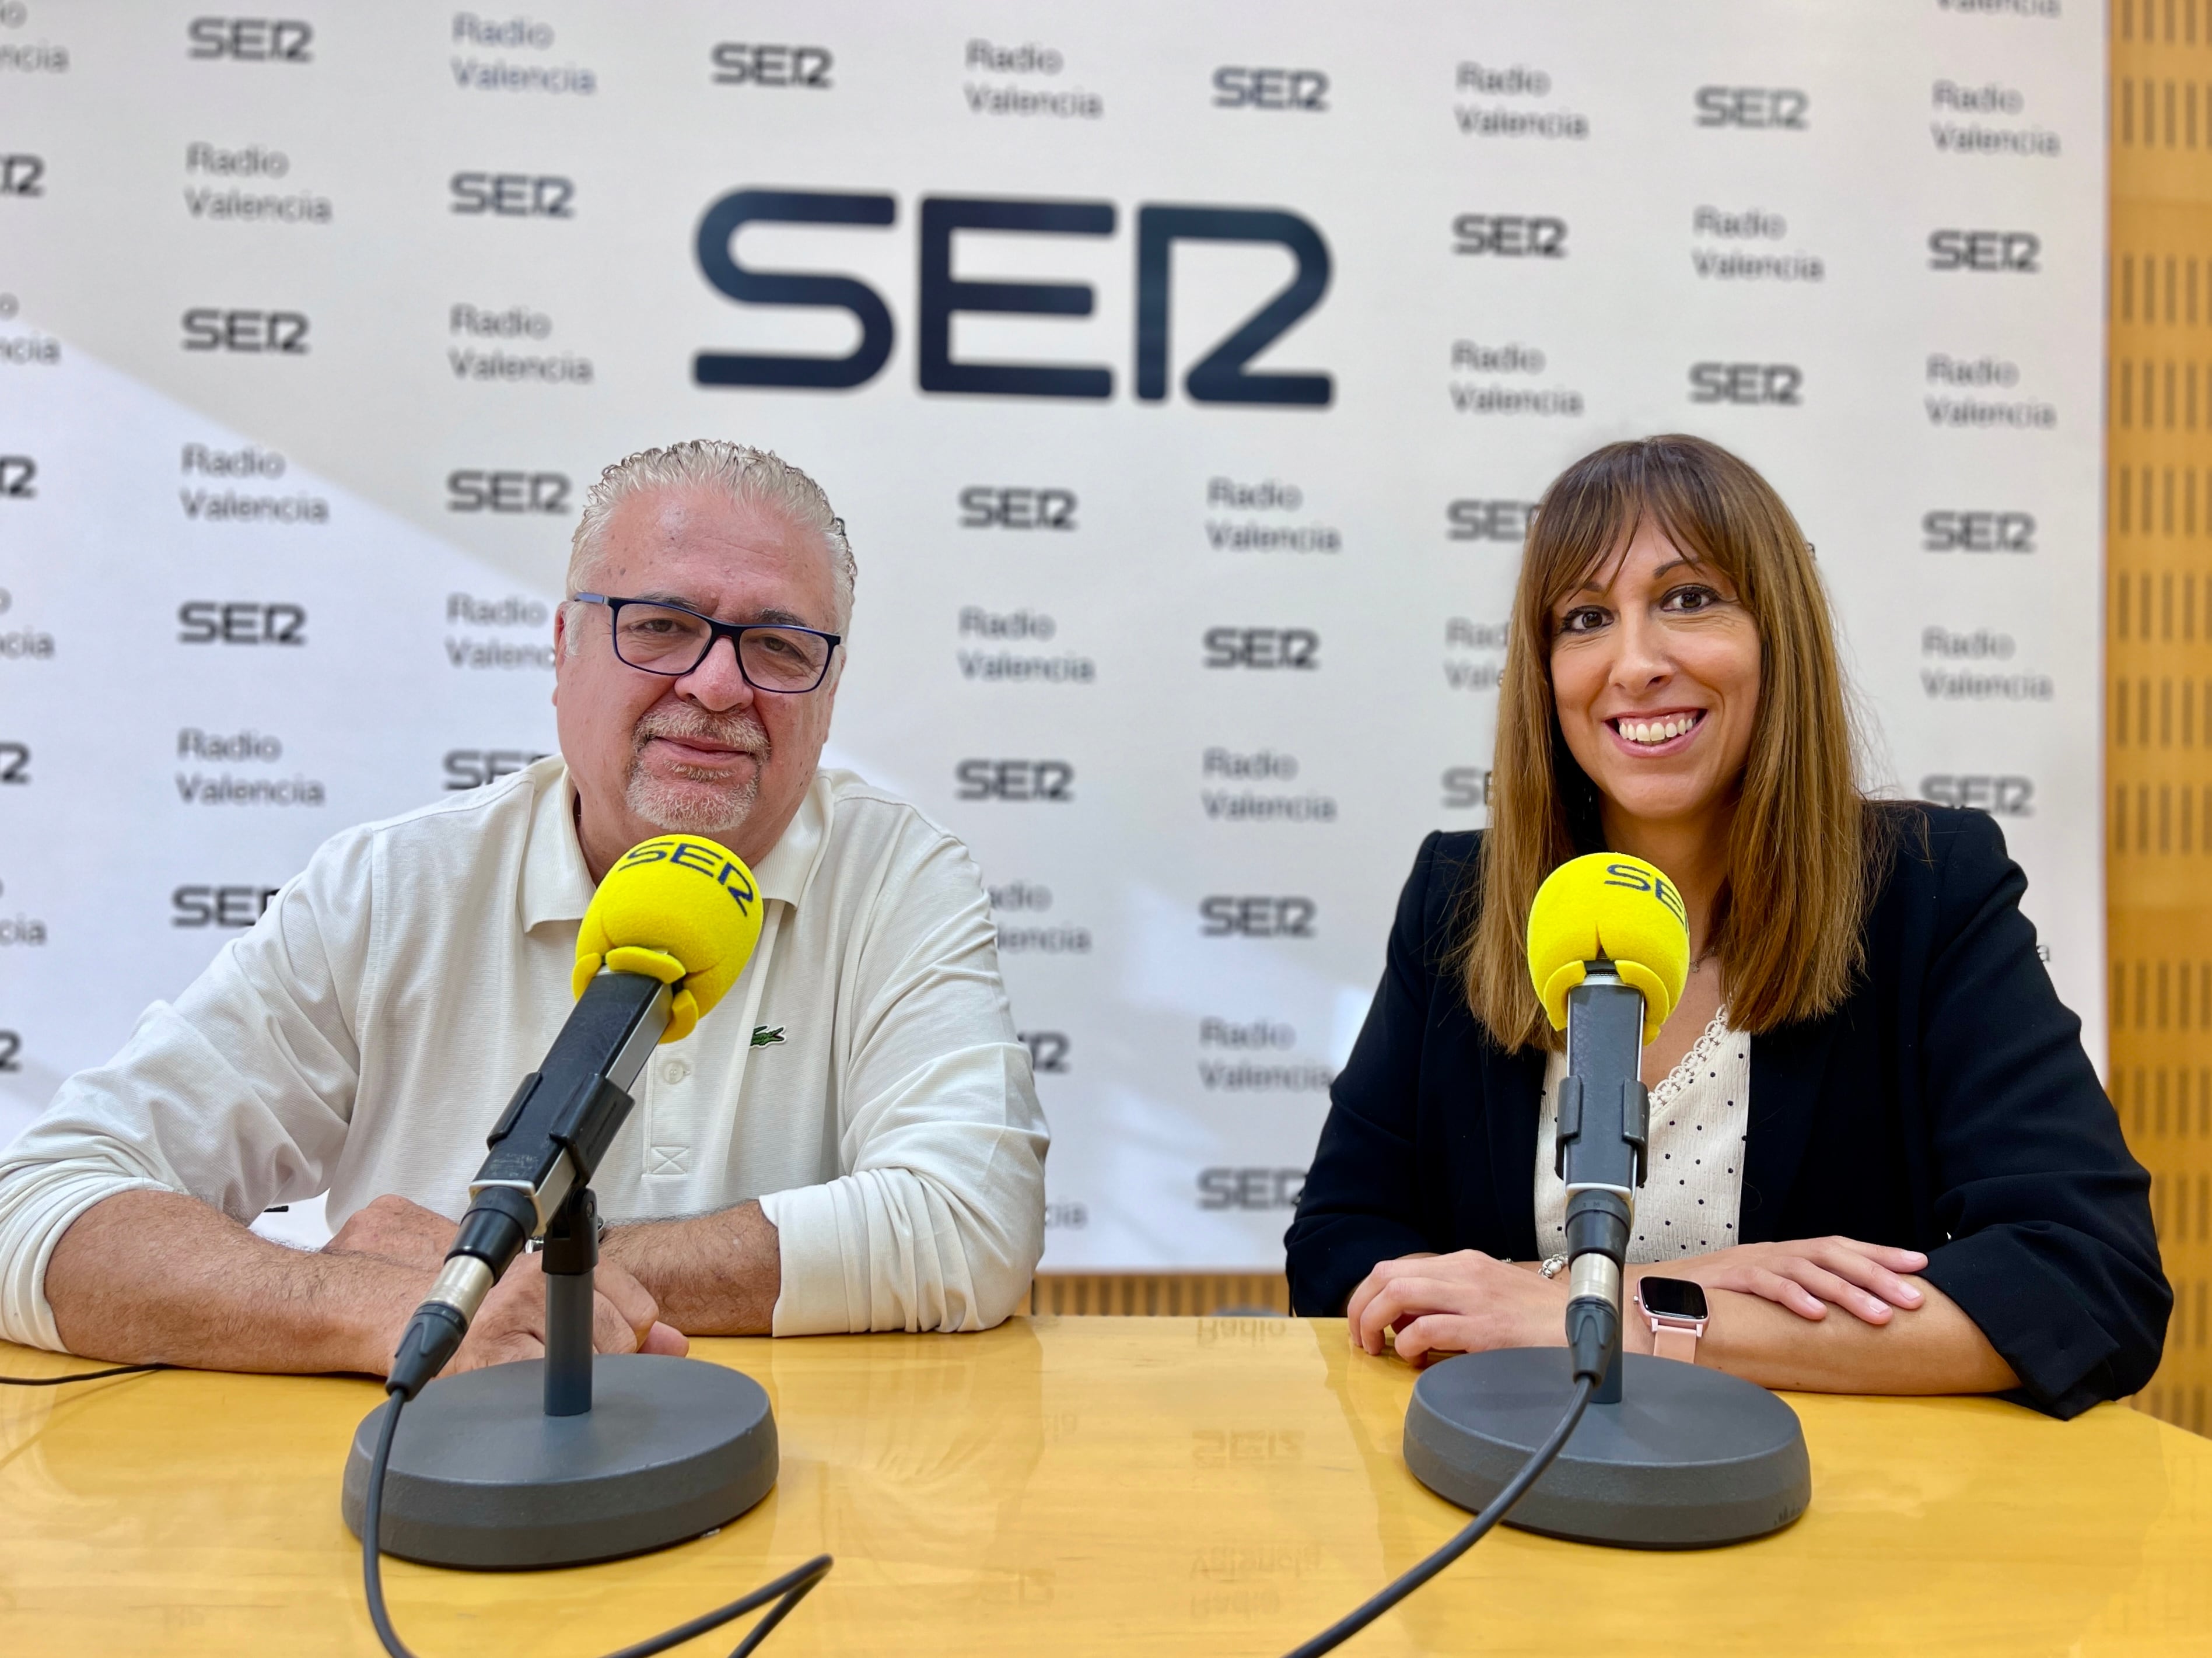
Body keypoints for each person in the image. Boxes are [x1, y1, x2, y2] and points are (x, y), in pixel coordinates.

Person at [0, 441, 1048, 1377]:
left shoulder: (899, 878)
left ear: (829, 689)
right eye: (663, 625)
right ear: (565, 648)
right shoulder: (392, 887)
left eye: (778, 647)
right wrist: (371, 1304)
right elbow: (34, 1209)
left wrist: (500, 1273)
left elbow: (970, 1222)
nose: (719, 684)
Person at [1285, 434, 2168, 1419]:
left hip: (1824, 1531)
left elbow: (2087, 1285)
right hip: (1504, 1501)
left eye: (1688, 599)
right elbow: (1338, 1257)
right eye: (1584, 617)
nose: (1634, 665)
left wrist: (1619, 1316)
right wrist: (1698, 1284)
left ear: (1773, 633)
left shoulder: (1928, 888)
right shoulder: (1462, 894)